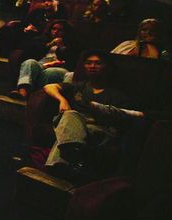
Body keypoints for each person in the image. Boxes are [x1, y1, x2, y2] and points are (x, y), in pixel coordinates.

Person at [42, 51, 135, 181]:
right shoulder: (78, 87)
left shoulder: (117, 95)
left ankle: (58, 165)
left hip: (98, 129)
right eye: (89, 63)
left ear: (107, 68)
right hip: (72, 124)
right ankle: (74, 161)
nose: (92, 66)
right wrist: (62, 100)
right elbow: (49, 86)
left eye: (98, 63)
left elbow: (119, 121)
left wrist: (87, 121)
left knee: (68, 125)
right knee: (69, 117)